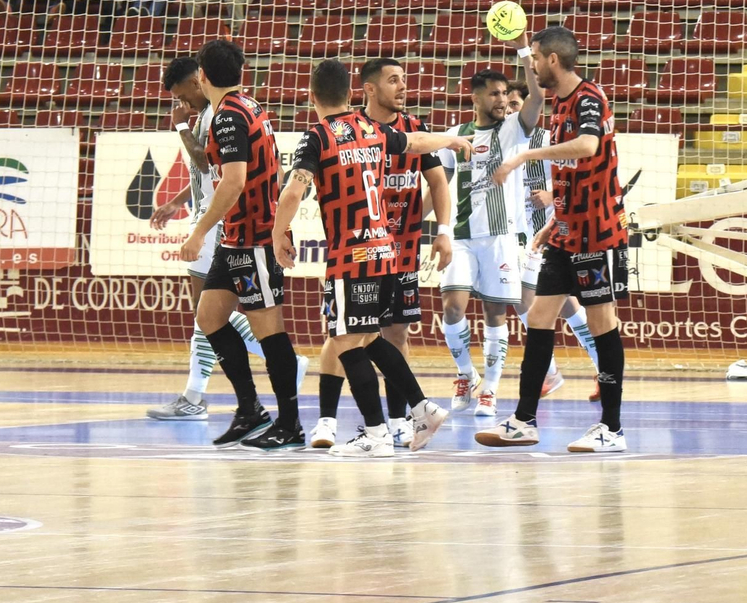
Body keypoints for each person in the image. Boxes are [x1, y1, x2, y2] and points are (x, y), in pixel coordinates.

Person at [273, 58, 470, 458]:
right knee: (370, 338)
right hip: (386, 252)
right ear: (351, 93)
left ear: (312, 97)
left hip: (351, 253)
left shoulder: (317, 137)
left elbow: (294, 191)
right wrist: (449, 141)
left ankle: (377, 433)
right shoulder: (372, 129)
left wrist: (279, 232)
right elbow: (415, 143)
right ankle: (422, 408)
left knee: (345, 342)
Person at [477, 25, 631, 453]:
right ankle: (524, 421)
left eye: (535, 56)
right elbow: (572, 170)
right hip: (567, 231)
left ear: (553, 60)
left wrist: (525, 155)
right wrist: (556, 218)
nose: (532, 64)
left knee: (601, 323)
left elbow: (586, 147)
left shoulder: (587, 98)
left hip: (598, 232)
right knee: (540, 317)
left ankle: (612, 429)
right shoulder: (560, 100)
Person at [146, 56, 306, 420]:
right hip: (223, 218)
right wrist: (179, 201)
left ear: (198, 80)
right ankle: (215, 396)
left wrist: (180, 126)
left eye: (181, 94)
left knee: (210, 313)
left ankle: (204, 395)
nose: (181, 102)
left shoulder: (216, 115)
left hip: (225, 223)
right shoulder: (233, 109)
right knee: (209, 314)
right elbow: (213, 173)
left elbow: (211, 166)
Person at [435, 63, 545, 419]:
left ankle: (491, 391)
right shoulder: (456, 136)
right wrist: (430, 227)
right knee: (452, 308)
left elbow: (537, 99)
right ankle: (466, 375)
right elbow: (439, 186)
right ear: (475, 98)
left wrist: (524, 52)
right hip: (462, 236)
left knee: (495, 313)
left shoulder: (513, 130)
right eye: (494, 94)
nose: (501, 100)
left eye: (504, 94)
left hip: (500, 237)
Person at [507, 78, 601, 401]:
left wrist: (550, 194)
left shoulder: (546, 140)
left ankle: (556, 370)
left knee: (532, 298)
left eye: (516, 105)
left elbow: (575, 172)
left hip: (547, 231)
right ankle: (595, 367)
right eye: (507, 106)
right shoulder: (502, 142)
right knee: (552, 303)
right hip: (515, 234)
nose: (511, 111)